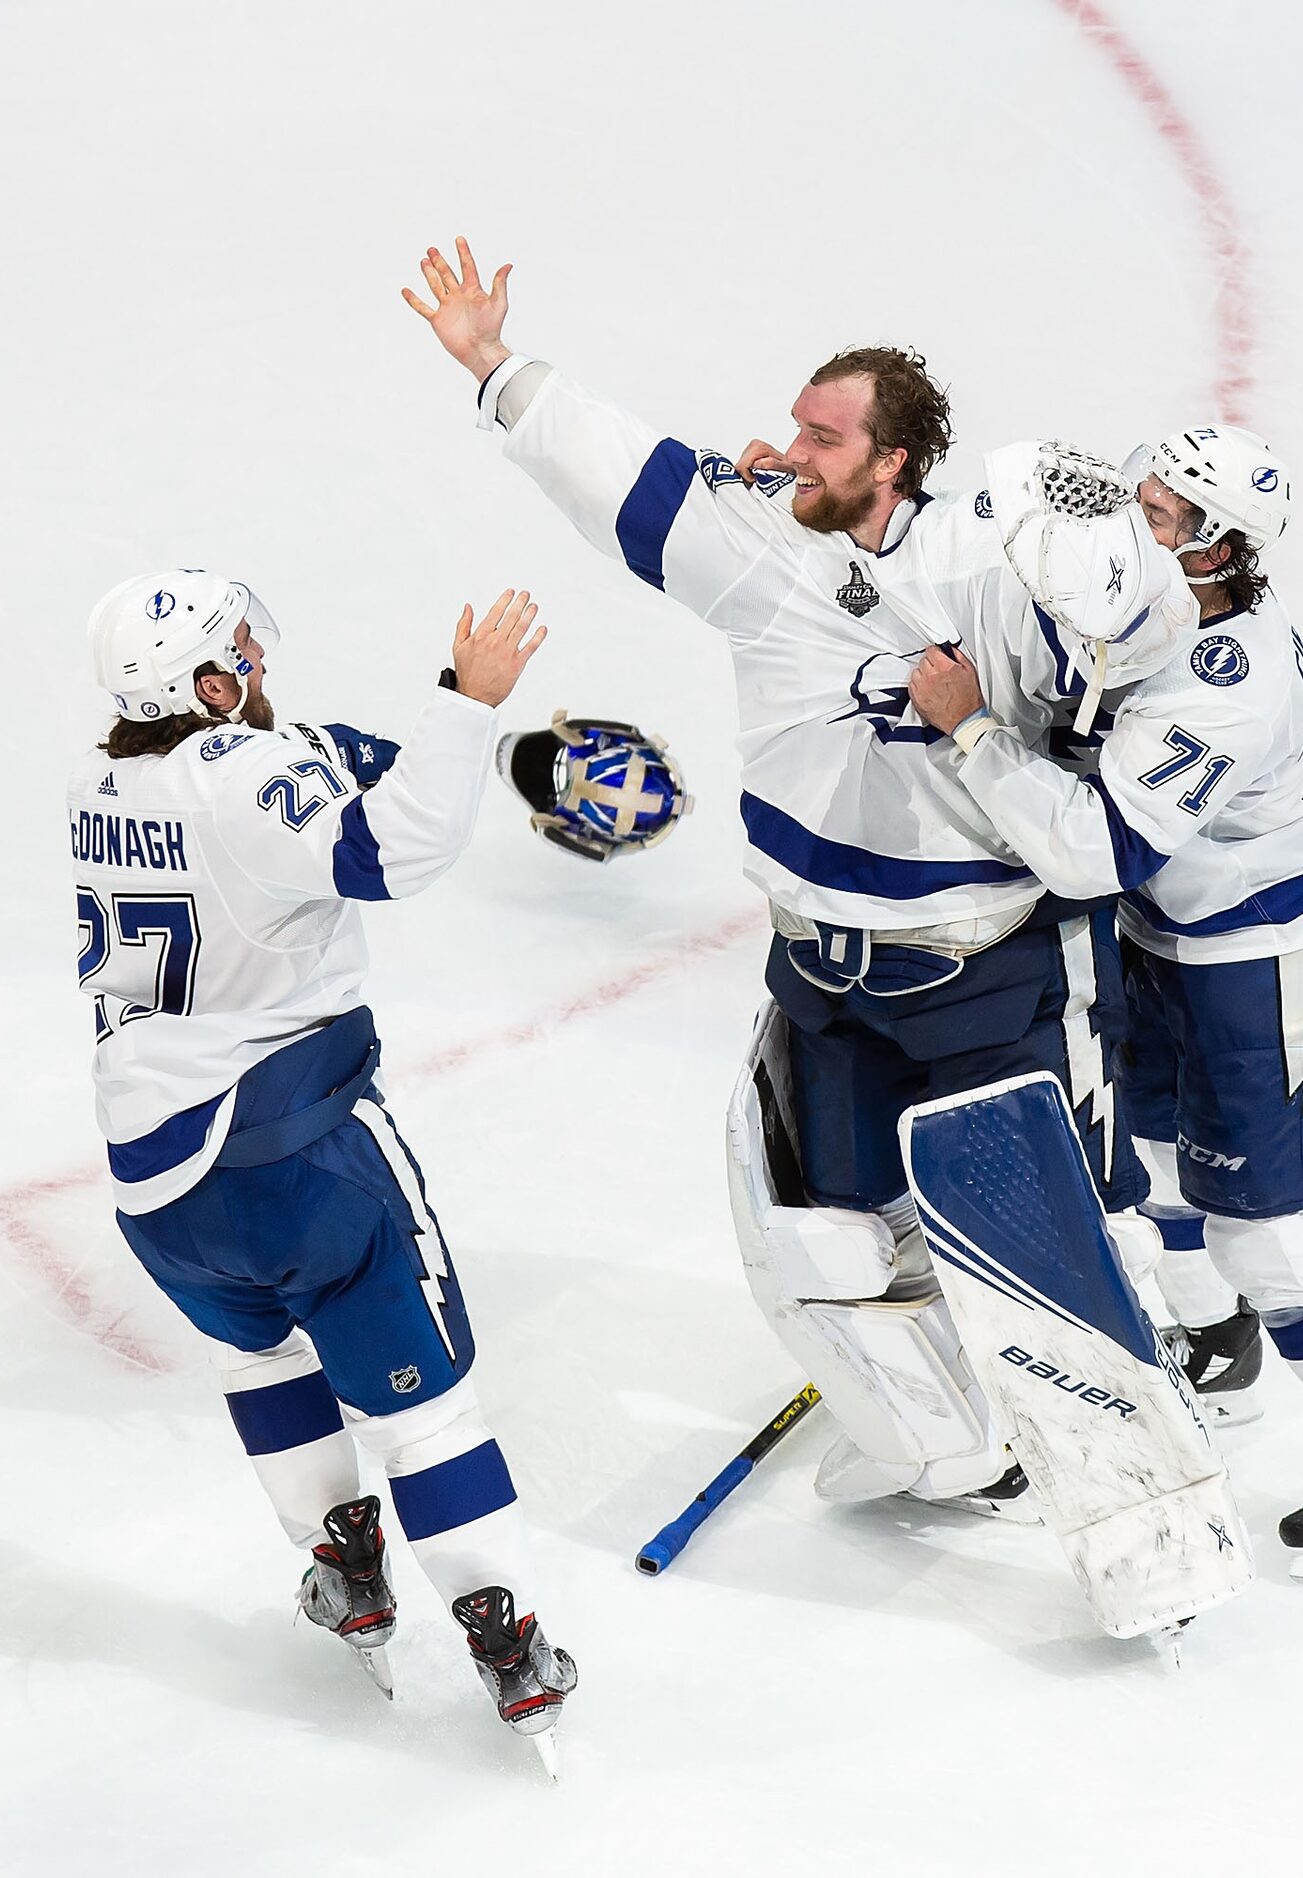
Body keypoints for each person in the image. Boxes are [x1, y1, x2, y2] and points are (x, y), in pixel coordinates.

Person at [404, 241, 1156, 1523]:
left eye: (823, 437)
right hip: (823, 976)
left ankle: (1143, 1497)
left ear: (894, 457)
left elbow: (1132, 676)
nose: (789, 449)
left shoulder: (1003, 575)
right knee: (827, 1234)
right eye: (797, 427)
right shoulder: (769, 552)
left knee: (1043, 1249)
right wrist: (492, 363)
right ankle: (953, 1446)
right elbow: (623, 474)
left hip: (982, 979)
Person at [905, 423, 1303, 1581]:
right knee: (1157, 1159)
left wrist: (969, 730)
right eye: (1143, 499)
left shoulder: (1228, 684)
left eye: (1162, 517)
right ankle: (1217, 1343)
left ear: (1219, 549)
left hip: (1266, 952)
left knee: (1263, 1228)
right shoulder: (1142, 605)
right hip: (1175, 930)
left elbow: (1089, 849)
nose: (1133, 525)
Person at [71, 568, 577, 1770]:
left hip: (158, 1192)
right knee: (425, 1406)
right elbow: (390, 853)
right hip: (301, 1160)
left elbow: (296, 760)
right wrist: (471, 706)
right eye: (236, 647)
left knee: (262, 1353)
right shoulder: (246, 775)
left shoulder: (106, 782)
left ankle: (346, 1571)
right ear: (204, 680)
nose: (256, 654)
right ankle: (506, 1635)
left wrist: (479, 746)